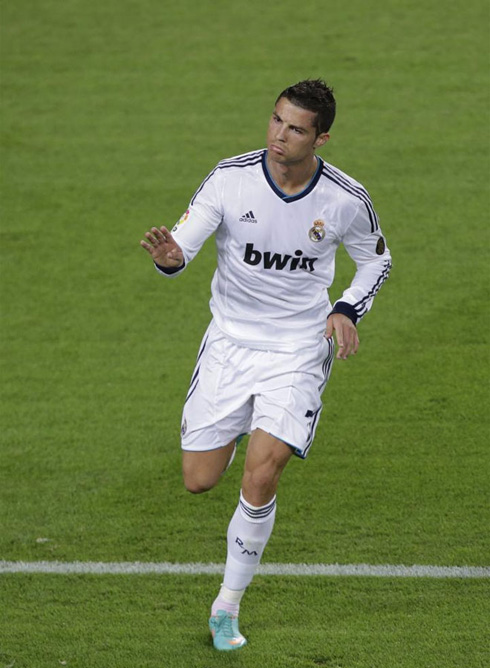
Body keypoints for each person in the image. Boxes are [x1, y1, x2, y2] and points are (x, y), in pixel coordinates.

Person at [140, 79, 392, 651]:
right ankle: (235, 432)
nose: (280, 135)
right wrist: (170, 258)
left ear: (320, 137)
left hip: (298, 348)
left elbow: (376, 260)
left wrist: (348, 308)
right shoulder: (230, 179)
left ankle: (226, 606)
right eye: (276, 120)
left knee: (262, 472)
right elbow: (183, 244)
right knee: (199, 480)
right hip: (229, 344)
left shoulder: (345, 199)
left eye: (296, 128)